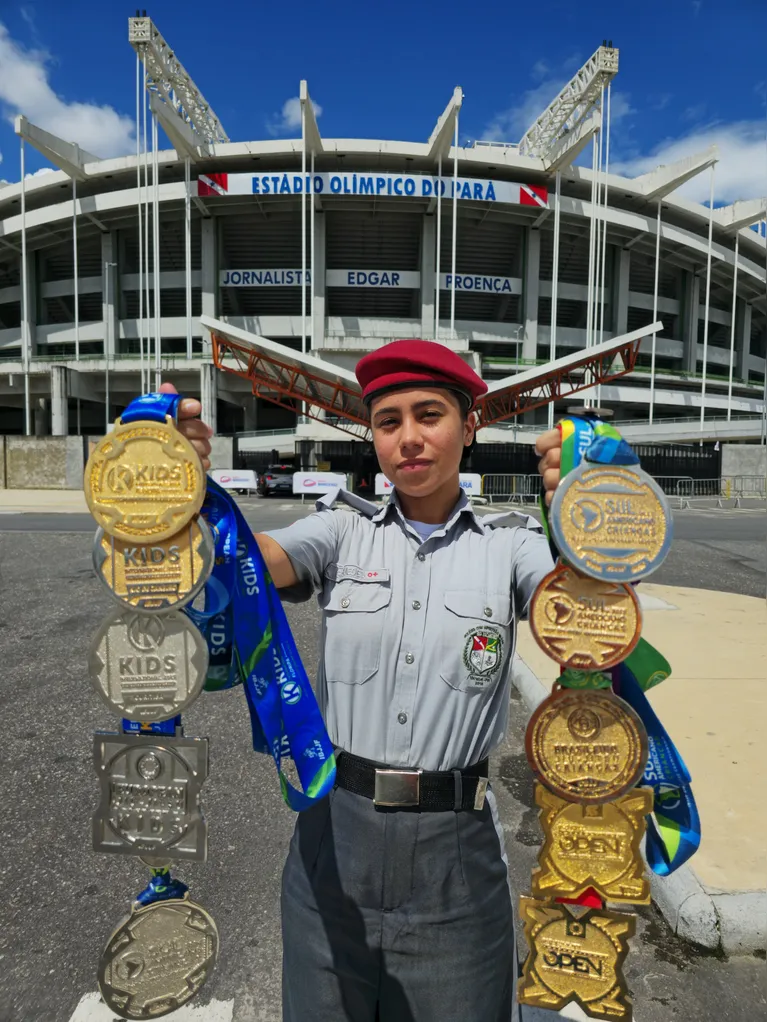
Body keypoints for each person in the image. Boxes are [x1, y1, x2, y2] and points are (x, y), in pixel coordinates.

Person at [159, 343, 564, 1022]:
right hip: (333, 840)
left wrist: (592, 518)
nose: (408, 438)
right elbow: (242, 566)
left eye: (428, 415)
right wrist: (176, 489)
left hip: (455, 854)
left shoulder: (512, 543)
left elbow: (584, 613)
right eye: (387, 421)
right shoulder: (342, 533)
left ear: (469, 427)